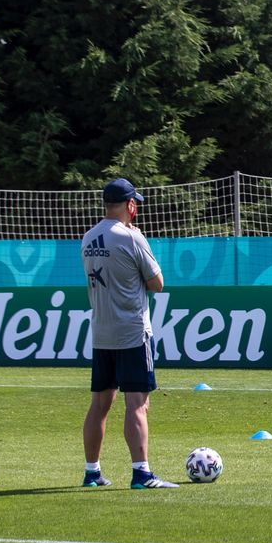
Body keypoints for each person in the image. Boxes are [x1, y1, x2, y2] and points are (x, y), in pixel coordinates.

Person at [80, 178, 175, 489]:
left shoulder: (88, 237)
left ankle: (92, 472)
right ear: (131, 206)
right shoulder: (132, 238)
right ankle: (141, 473)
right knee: (137, 403)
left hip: (101, 332)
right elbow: (157, 283)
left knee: (100, 404)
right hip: (132, 331)